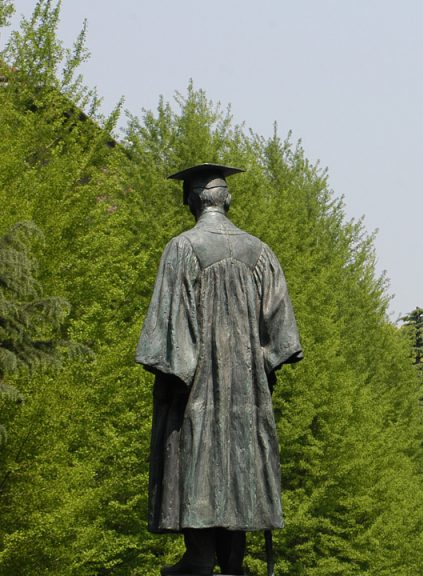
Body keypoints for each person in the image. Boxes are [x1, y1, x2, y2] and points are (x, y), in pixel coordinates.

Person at [136, 163, 303, 575]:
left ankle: (198, 557)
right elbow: (283, 340)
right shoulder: (261, 253)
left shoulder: (182, 249)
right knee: (242, 462)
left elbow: (168, 345)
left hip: (197, 392)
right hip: (247, 392)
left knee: (197, 455)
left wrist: (184, 375)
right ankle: (233, 561)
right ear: (227, 198)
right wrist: (252, 370)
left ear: (190, 200)